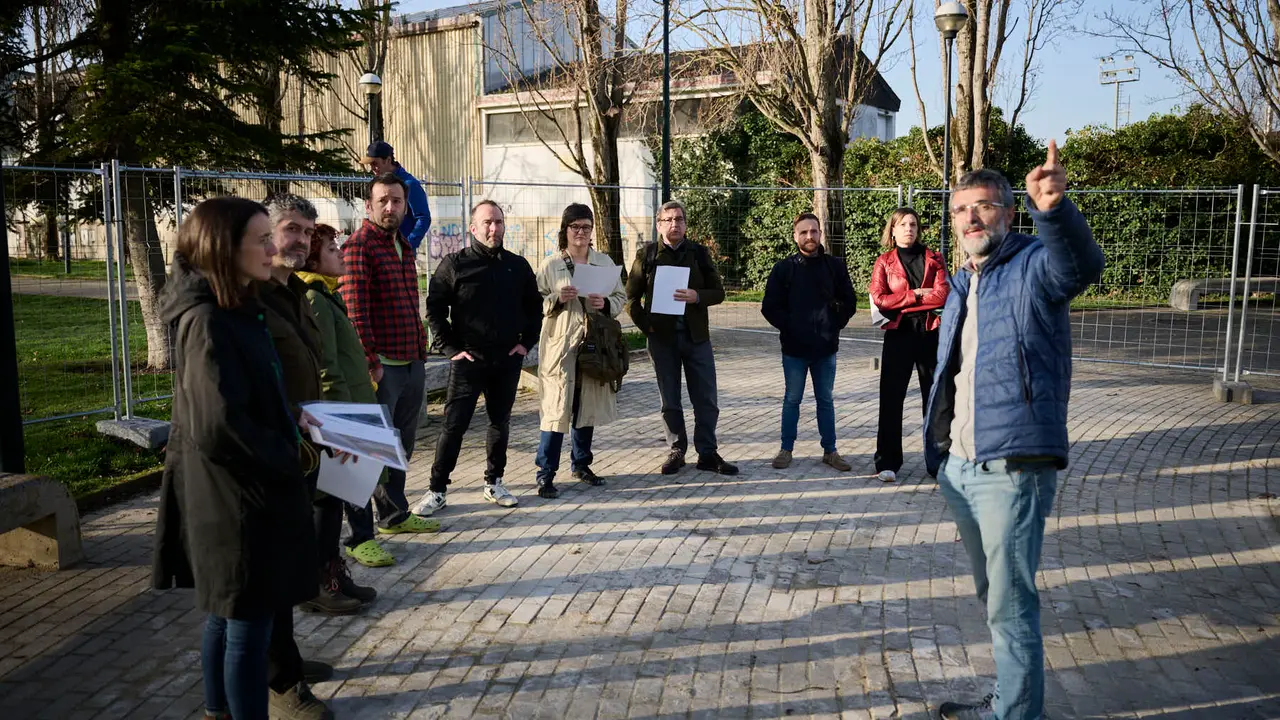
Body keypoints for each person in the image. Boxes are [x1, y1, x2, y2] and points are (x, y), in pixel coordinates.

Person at [926, 142, 1103, 720]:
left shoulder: (1033, 264)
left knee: (1010, 602)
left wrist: (1055, 210)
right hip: (962, 465)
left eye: (983, 207)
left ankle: (1016, 714)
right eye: (960, 210)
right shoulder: (962, 283)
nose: (970, 218)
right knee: (994, 596)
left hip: (1014, 468)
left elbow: (1080, 268)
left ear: (1007, 212)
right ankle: (1011, 696)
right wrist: (942, 452)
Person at [152, 197, 316, 720]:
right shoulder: (206, 319)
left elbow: (251, 394)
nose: (273, 250)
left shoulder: (236, 305)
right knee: (247, 624)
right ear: (226, 249)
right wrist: (292, 453)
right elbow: (218, 424)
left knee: (227, 617)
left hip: (244, 489)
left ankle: (214, 709)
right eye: (262, 240)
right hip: (235, 499)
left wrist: (292, 418)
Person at [259, 193, 372, 720]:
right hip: (276, 453)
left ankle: (289, 662)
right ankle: (279, 684)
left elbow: (314, 366)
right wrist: (331, 427)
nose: (301, 241)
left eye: (308, 232)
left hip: (304, 443)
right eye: (292, 230)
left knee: (292, 559)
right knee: (274, 570)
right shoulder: (253, 300)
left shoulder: (294, 296)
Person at [298, 224, 438, 569]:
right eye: (332, 249)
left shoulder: (326, 293)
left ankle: (387, 520)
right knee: (351, 478)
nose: (340, 253)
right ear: (314, 260)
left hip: (358, 395)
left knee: (369, 470)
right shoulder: (315, 298)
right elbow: (326, 365)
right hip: (344, 404)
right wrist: (341, 416)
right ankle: (359, 540)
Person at [416, 200, 542, 513]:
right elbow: (433, 310)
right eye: (487, 222)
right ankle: (436, 489)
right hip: (468, 360)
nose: (493, 228)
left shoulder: (518, 266)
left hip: (506, 359)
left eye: (498, 222)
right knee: (454, 425)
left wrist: (526, 344)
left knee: (500, 422)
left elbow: (535, 309)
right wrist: (450, 349)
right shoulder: (455, 265)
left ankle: (494, 482)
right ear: (473, 228)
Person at [340, 174, 439, 542]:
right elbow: (356, 312)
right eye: (382, 200)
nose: (389, 207)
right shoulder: (359, 246)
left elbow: (410, 305)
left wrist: (420, 348)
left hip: (411, 361)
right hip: (381, 369)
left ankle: (395, 514)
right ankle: (359, 534)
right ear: (368, 205)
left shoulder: (404, 245)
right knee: (370, 451)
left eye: (396, 201)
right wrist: (371, 362)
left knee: (401, 446)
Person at [625, 199, 737, 476]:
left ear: (686, 224)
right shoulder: (647, 255)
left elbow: (719, 291)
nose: (674, 224)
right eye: (669, 220)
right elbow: (630, 298)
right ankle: (676, 450)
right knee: (670, 400)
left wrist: (697, 296)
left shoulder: (699, 253)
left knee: (706, 399)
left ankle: (707, 452)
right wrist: (646, 327)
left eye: (679, 219)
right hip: (662, 340)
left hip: (696, 337)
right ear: (659, 224)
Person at [532, 204, 628, 498]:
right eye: (575, 227)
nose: (581, 233)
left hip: (594, 344)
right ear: (565, 230)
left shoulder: (603, 262)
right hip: (561, 345)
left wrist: (607, 304)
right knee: (556, 408)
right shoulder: (550, 265)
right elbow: (535, 302)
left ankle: (581, 464)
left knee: (586, 406)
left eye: (586, 227)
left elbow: (619, 295)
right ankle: (545, 473)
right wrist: (557, 298)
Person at [760, 212, 857, 472]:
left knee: (825, 399)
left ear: (820, 234)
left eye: (813, 231)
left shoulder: (835, 266)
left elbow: (850, 301)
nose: (809, 236)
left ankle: (831, 450)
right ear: (795, 236)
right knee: (792, 399)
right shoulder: (783, 269)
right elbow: (769, 307)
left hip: (826, 349)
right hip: (794, 350)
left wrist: (834, 325)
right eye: (803, 232)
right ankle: (786, 449)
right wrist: (791, 327)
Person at [868, 207, 950, 483]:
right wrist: (914, 294)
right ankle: (887, 462)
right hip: (898, 335)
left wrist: (900, 301)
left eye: (913, 224)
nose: (908, 229)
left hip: (930, 335)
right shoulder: (884, 261)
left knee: (935, 400)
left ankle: (938, 462)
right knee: (891, 400)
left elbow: (941, 296)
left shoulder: (935, 259)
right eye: (902, 224)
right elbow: (880, 299)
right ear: (892, 229)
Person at [363, 141, 431, 252]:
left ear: (388, 160)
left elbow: (424, 218)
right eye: (370, 164)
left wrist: (406, 245)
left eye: (375, 163)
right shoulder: (378, 183)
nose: (372, 168)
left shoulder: (409, 184)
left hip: (399, 252)